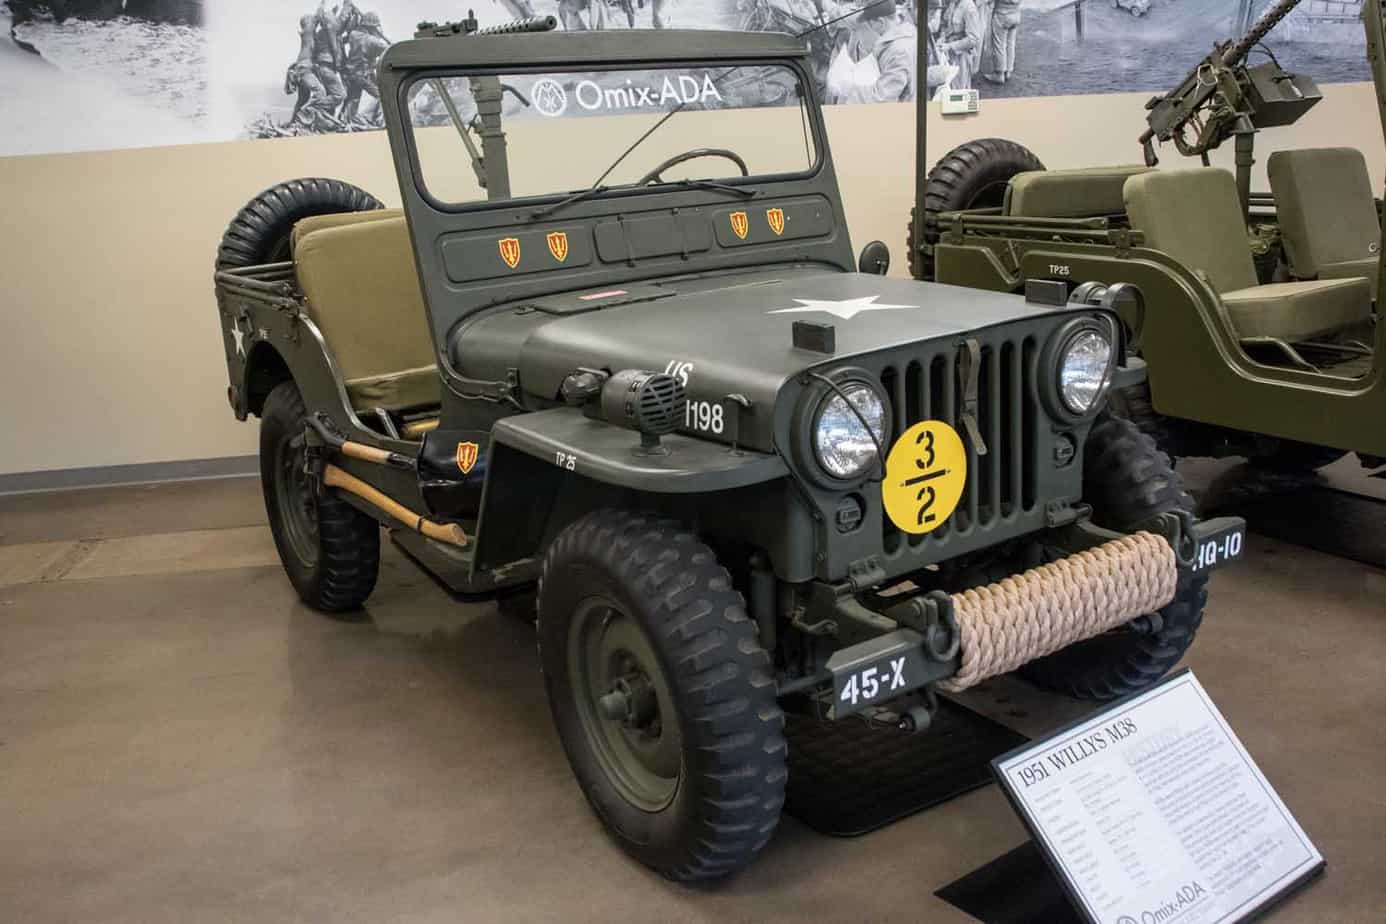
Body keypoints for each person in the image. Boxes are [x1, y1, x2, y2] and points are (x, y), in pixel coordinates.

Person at [826, 0, 916, 104]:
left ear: (881, 22)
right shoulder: (907, 35)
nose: (872, 29)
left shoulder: (898, 51)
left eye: (871, 24)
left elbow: (882, 96)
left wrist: (848, 90)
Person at [340, 11, 389, 126]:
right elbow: (388, 50)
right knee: (383, 95)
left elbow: (352, 32)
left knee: (353, 98)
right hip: (363, 74)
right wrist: (380, 35)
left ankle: (346, 122)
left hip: (351, 73)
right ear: (373, 28)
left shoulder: (353, 35)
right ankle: (379, 121)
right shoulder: (373, 42)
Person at [936, 0, 982, 91]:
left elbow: (973, 39)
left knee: (959, 89)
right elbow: (945, 23)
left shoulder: (969, 8)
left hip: (962, 56)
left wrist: (950, 46)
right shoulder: (953, 3)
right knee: (948, 86)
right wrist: (942, 37)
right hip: (949, 53)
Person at [981, 0, 1021, 84]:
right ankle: (1008, 71)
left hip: (1002, 14)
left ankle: (999, 74)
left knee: (999, 45)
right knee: (1010, 43)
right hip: (1016, 13)